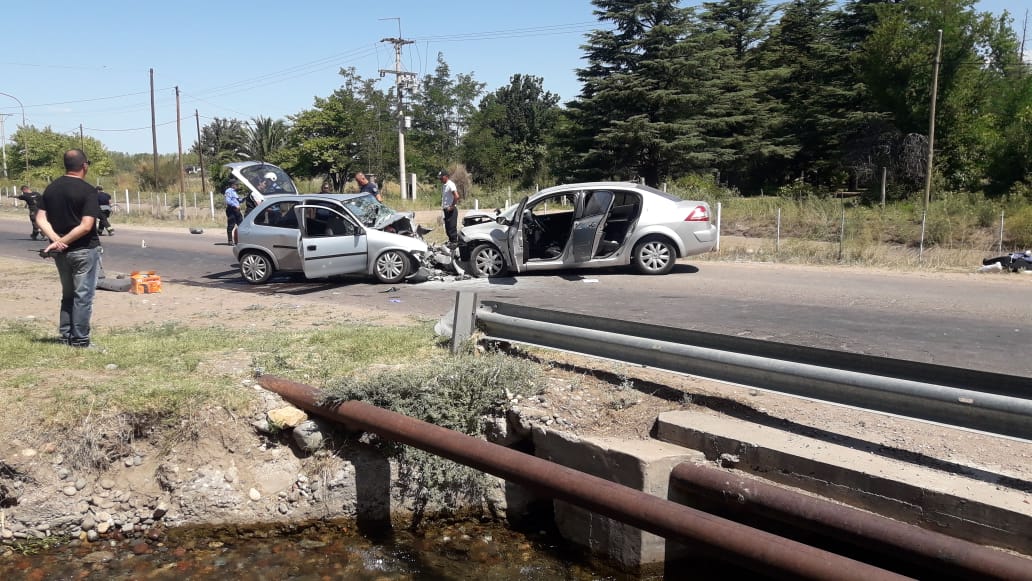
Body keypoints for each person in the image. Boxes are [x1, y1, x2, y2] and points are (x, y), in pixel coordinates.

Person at [35, 149, 102, 348]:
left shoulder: (52, 188)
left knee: (68, 295)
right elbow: (86, 226)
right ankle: (80, 339)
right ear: (84, 166)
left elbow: (40, 219)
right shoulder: (88, 190)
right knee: (83, 297)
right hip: (84, 250)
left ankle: (66, 336)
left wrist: (56, 240)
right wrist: (62, 240)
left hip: (61, 253)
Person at [438, 169, 461, 244]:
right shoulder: (444, 185)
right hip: (446, 210)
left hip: (451, 210)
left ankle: (454, 243)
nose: (440, 179)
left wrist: (452, 206)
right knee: (447, 229)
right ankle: (451, 242)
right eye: (439, 178)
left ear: (446, 176)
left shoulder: (450, 184)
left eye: (441, 177)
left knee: (451, 228)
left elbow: (456, 196)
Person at [225, 180, 243, 245]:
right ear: (232, 185)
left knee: (241, 225)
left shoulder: (234, 192)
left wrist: (243, 199)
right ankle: (230, 240)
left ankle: (241, 240)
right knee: (231, 225)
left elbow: (237, 200)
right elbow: (228, 201)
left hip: (237, 210)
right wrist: (235, 205)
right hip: (231, 210)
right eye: (236, 184)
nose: (237, 186)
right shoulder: (228, 191)